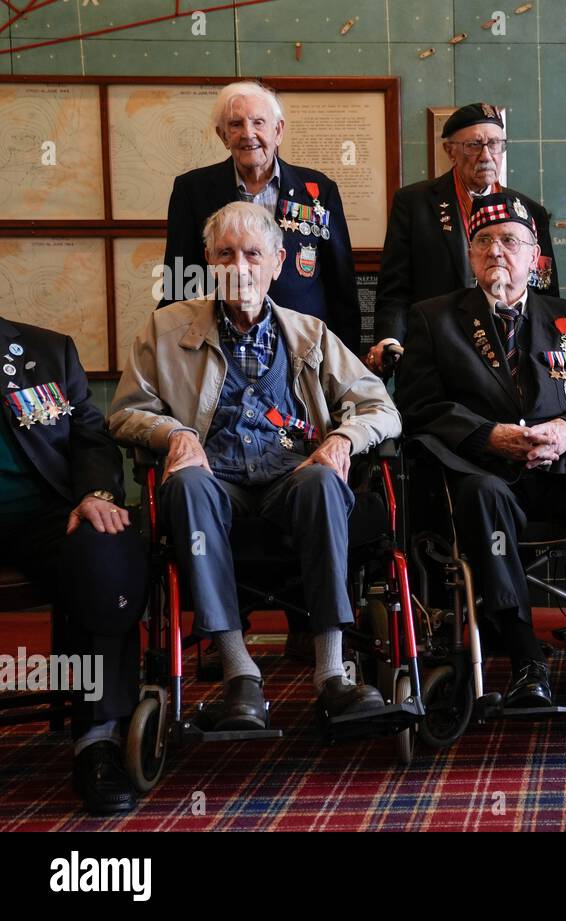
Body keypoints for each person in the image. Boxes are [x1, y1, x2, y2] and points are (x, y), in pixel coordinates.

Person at [110, 202, 400, 730]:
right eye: (225, 254)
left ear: (277, 262)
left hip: (289, 481)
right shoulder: (164, 330)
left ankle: (332, 675)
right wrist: (173, 432)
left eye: (252, 254)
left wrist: (341, 439)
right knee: (187, 486)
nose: (239, 266)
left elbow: (380, 407)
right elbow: (127, 411)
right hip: (215, 484)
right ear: (207, 261)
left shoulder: (309, 334)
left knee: (322, 481)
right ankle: (240, 675)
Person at [395, 192, 566, 715]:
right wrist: (488, 435)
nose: (497, 251)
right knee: (478, 494)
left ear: (534, 257)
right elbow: (419, 406)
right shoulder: (435, 319)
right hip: (488, 475)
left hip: (565, 472)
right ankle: (527, 661)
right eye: (484, 242)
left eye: (510, 241)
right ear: (470, 256)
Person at [0, 316, 147, 815]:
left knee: (106, 549)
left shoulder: (47, 351)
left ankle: (99, 738)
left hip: (44, 514)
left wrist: (95, 494)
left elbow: (91, 436)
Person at [159, 81, 361, 352]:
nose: (248, 133)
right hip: (219, 347)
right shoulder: (192, 191)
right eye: (236, 124)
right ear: (222, 135)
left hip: (303, 345)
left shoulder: (319, 190)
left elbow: (341, 288)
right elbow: (179, 279)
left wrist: (346, 358)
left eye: (258, 122)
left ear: (278, 131)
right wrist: (175, 353)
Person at [368, 102, 558, 373]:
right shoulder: (414, 204)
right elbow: (395, 289)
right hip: (438, 351)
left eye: (495, 144)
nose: (486, 155)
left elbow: (544, 292)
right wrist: (390, 339)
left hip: (510, 354)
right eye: (473, 145)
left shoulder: (529, 212)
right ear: (450, 151)